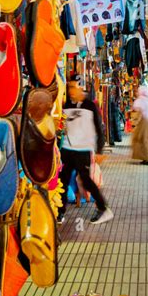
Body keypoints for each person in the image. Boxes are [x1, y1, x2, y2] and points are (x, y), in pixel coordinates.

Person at [58, 79, 113, 225]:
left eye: (73, 87)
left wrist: (99, 150)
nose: (70, 91)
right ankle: (60, 212)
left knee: (86, 181)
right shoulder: (67, 105)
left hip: (83, 150)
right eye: (69, 87)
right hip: (67, 149)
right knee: (62, 181)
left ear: (81, 88)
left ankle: (104, 209)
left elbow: (99, 128)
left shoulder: (90, 106)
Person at [132, 85, 148, 165]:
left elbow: (136, 108)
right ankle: (147, 157)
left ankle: (146, 158)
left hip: (143, 122)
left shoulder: (141, 100)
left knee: (142, 139)